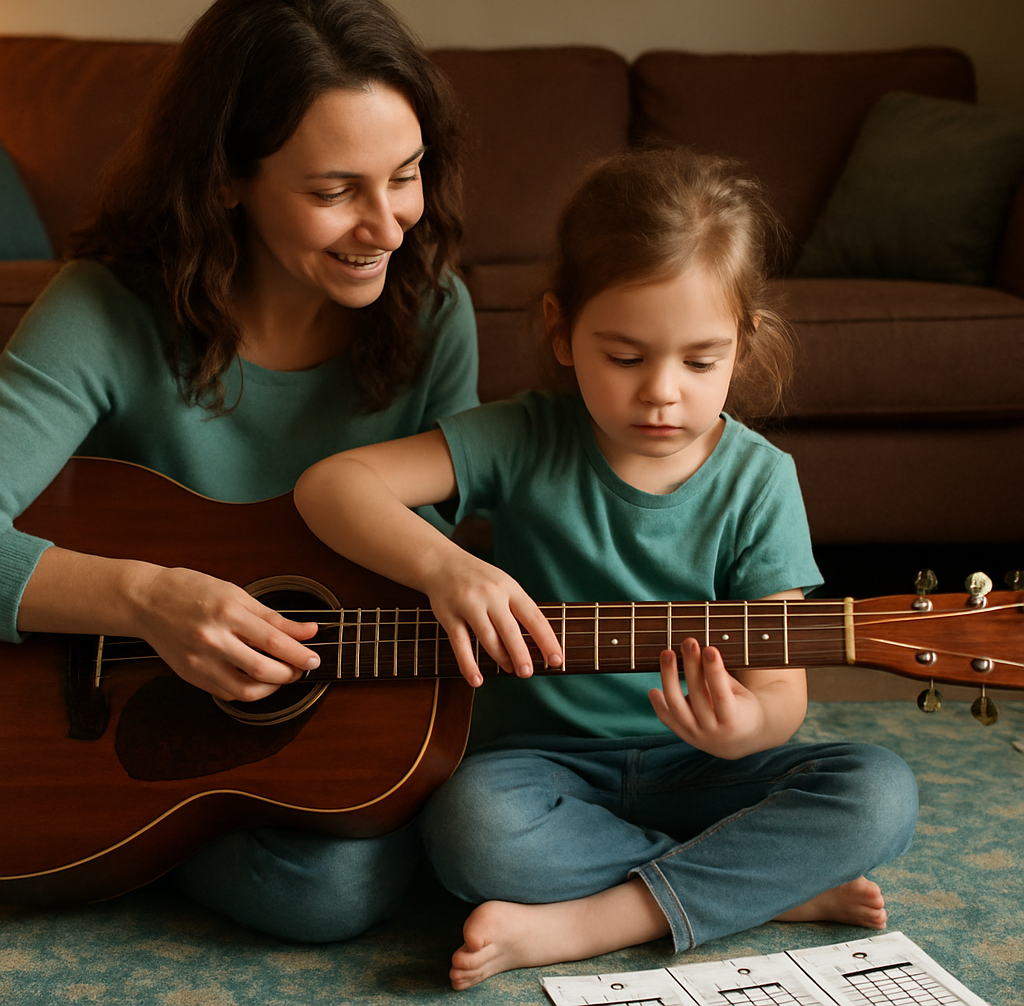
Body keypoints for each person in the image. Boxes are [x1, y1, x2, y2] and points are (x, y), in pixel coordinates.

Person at [294, 147, 919, 987]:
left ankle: (597, 919)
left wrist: (748, 728)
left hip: (701, 767)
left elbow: (781, 692)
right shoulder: (522, 437)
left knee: (880, 792)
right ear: (561, 330)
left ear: (745, 342)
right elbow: (333, 486)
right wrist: (448, 568)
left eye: (701, 361)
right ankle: (754, 885)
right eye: (626, 357)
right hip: (538, 769)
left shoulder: (760, 480)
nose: (662, 391)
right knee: (470, 829)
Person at [0, 0, 478, 941]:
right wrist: (148, 600)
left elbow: (429, 560)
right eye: (334, 192)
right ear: (225, 178)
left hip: (320, 714)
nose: (389, 227)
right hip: (98, 706)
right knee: (331, 889)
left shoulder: (434, 313)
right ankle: (126, 818)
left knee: (348, 875)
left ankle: (159, 828)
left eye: (406, 174)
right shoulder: (104, 309)